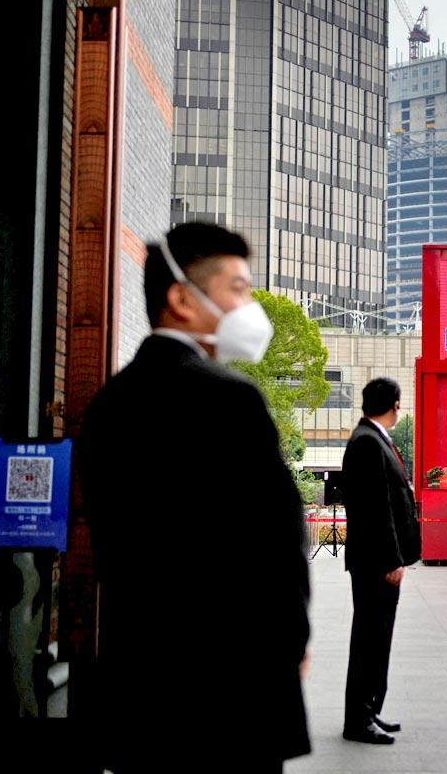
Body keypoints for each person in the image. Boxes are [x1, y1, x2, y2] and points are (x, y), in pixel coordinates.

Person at [77, 222, 310, 772]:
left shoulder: (110, 401)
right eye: (238, 288)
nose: (248, 306)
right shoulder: (228, 398)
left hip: (141, 676)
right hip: (232, 682)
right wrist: (291, 640)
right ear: (182, 298)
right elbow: (275, 540)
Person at [340, 378, 422, 744]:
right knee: (370, 640)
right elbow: (377, 509)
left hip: (376, 560)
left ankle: (369, 711)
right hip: (376, 563)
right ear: (394, 404)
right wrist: (392, 559)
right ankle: (359, 720)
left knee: (376, 638)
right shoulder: (368, 443)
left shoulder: (371, 439)